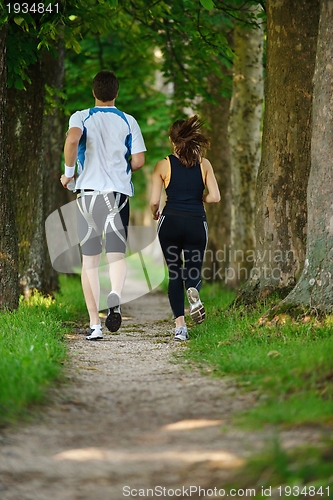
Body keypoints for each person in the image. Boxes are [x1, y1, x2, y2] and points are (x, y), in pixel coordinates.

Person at [60, 70, 146, 341]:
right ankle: (116, 296)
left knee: (90, 263)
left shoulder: (81, 116)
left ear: (94, 92)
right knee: (117, 255)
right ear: (116, 93)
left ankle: (94, 324)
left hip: (88, 196)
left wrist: (68, 172)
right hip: (118, 195)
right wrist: (124, 168)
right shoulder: (128, 120)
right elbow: (139, 161)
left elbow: (73, 140)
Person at [150, 115, 220, 341]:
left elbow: (154, 201)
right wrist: (201, 199)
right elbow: (215, 197)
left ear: (173, 141)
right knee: (192, 269)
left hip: (170, 222)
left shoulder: (163, 164)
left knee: (174, 272)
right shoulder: (205, 164)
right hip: (196, 222)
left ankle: (180, 327)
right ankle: (194, 294)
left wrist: (155, 213)